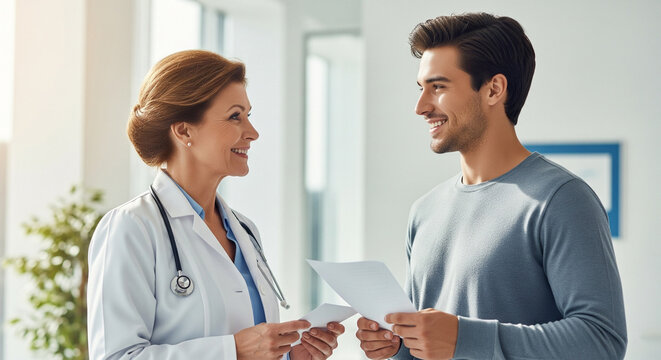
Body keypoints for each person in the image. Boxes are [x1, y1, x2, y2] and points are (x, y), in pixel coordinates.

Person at [355, 13, 627, 360]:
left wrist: (464, 336)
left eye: (438, 87)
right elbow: (432, 343)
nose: (421, 107)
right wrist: (397, 345)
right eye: (421, 88)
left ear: (494, 89)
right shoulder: (424, 210)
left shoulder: (561, 199)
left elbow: (602, 341)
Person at [87, 50, 344, 360]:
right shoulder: (132, 227)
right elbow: (116, 356)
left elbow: (254, 346)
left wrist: (290, 355)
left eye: (249, 115)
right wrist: (231, 350)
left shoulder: (244, 230)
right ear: (184, 131)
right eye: (235, 116)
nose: (252, 132)